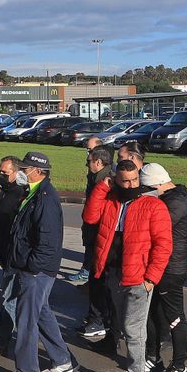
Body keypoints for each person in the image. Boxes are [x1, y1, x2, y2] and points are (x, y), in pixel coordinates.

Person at [84, 160, 172, 372]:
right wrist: (102, 188)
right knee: (124, 327)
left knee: (134, 330)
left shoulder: (152, 205)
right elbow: (90, 217)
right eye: (126, 181)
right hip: (114, 272)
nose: (132, 184)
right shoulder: (111, 200)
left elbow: (163, 245)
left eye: (135, 180)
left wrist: (151, 277)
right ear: (116, 181)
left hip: (139, 277)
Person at [0, 151, 78, 372]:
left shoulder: (45, 198)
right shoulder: (33, 193)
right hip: (33, 267)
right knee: (41, 313)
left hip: (36, 270)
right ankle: (62, 359)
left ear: (37, 171)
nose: (21, 172)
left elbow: (47, 240)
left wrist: (32, 267)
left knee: (26, 320)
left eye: (25, 169)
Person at [141, 164, 187, 372]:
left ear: (157, 184)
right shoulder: (169, 198)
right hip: (162, 266)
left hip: (172, 268)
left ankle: (180, 365)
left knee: (174, 317)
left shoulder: (177, 202)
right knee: (154, 314)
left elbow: (156, 227)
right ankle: (153, 358)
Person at [76, 146, 116, 340]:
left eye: (89, 161)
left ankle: (99, 321)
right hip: (95, 238)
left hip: (100, 239)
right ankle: (99, 319)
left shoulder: (104, 181)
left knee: (99, 281)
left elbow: (96, 214)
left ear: (98, 162)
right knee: (97, 280)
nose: (86, 164)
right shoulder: (97, 177)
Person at [0, 155, 27, 352]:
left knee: (10, 299)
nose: (1, 175)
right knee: (14, 299)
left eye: (6, 173)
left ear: (17, 172)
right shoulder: (6, 191)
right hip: (3, 255)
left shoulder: (19, 195)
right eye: (0, 171)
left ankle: (0, 340)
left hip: (13, 257)